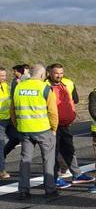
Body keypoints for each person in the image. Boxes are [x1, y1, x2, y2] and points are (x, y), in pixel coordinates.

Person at [11, 64, 58, 200]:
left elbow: (12, 111)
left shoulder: (19, 87)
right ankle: (50, 189)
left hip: (24, 129)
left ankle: (23, 190)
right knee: (48, 160)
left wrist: (18, 125)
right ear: (43, 75)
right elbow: (53, 112)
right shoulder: (44, 88)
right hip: (43, 129)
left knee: (25, 160)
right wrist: (54, 129)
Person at [46, 63, 95, 188]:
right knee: (53, 153)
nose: (59, 75)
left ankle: (77, 174)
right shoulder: (45, 86)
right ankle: (54, 178)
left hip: (65, 125)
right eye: (57, 73)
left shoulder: (65, 84)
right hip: (52, 126)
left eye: (61, 73)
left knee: (69, 150)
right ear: (49, 73)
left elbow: (72, 100)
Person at [3, 64, 30, 159]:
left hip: (15, 115)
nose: (13, 73)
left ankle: (2, 155)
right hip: (8, 116)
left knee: (16, 139)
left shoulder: (26, 80)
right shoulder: (14, 81)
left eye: (15, 71)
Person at [0, 67, 11, 179]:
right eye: (2, 76)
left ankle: (1, 157)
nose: (4, 78)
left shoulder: (6, 86)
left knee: (16, 138)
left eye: (4, 75)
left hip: (8, 119)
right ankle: (1, 170)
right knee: (0, 144)